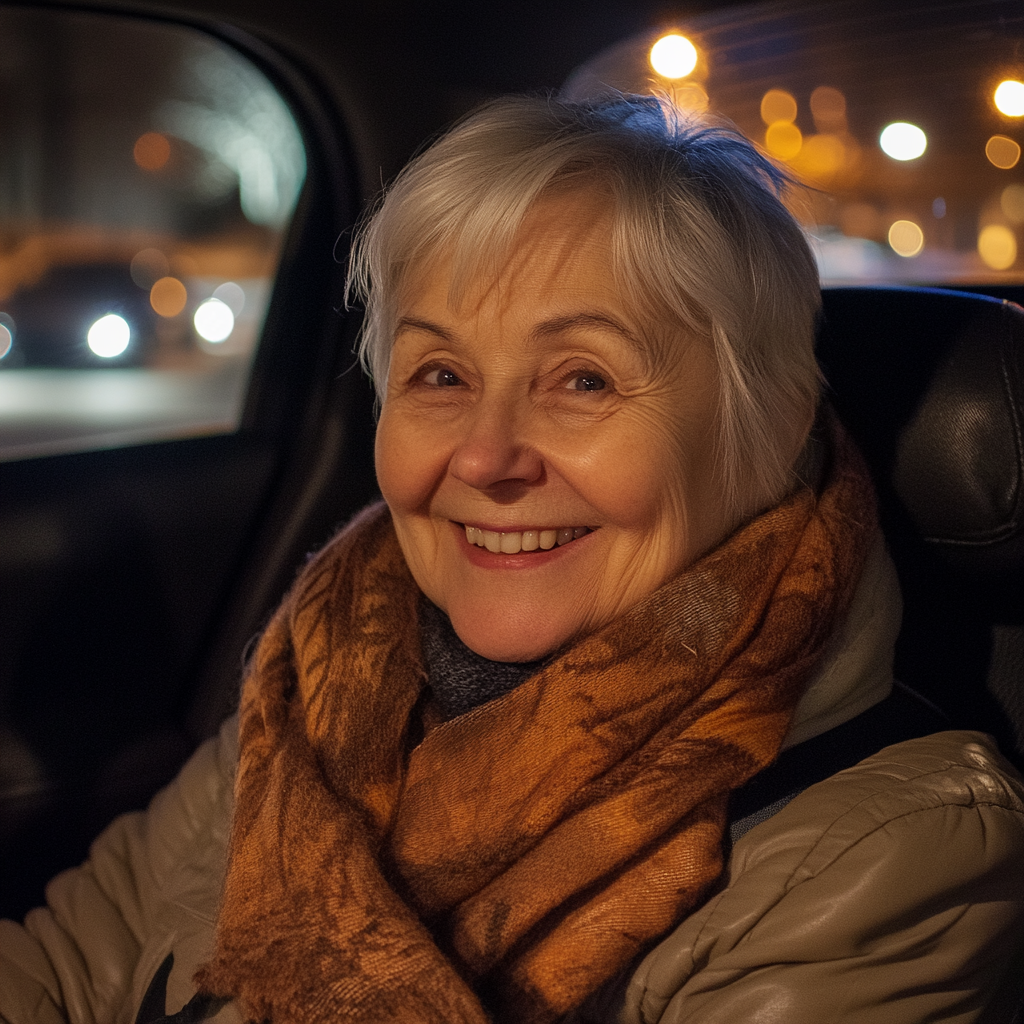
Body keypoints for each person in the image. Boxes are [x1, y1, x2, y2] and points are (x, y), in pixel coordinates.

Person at [2, 95, 1023, 1024]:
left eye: (581, 379)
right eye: (439, 371)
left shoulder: (884, 853)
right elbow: (59, 969)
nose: (485, 456)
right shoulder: (320, 684)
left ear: (770, 426)